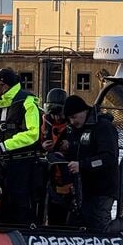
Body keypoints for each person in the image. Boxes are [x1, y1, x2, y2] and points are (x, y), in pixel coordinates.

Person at [0, 67, 41, 224]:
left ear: (5, 86)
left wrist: (3, 147)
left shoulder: (27, 103)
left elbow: (32, 134)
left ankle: (23, 234)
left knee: (19, 205)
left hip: (21, 164)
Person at [58, 94, 119, 232]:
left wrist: (83, 165)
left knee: (100, 226)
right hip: (82, 188)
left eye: (74, 117)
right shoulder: (74, 130)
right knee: (75, 222)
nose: (72, 122)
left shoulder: (103, 127)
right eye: (69, 119)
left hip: (103, 187)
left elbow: (108, 158)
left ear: (83, 111)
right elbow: (79, 150)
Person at [39, 88, 76, 225]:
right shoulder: (43, 122)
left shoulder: (73, 124)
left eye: (59, 113)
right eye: (53, 114)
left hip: (67, 178)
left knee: (65, 214)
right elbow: (33, 143)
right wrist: (42, 147)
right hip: (48, 177)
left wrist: (70, 146)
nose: (56, 118)